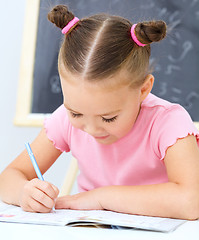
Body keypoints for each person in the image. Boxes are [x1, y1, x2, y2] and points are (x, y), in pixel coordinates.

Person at [0, 5, 199, 220]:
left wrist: (100, 198)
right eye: (76, 113)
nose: (92, 129)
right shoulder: (63, 120)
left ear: (143, 90)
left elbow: (191, 202)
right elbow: (8, 178)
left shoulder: (169, 122)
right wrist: (24, 193)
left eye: (108, 117)